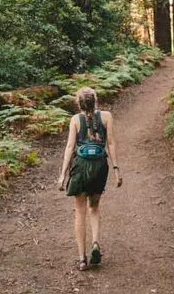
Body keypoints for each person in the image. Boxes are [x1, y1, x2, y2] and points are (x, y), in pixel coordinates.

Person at [57, 87, 122, 270]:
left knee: (80, 212)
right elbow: (111, 144)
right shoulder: (107, 117)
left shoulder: (75, 120)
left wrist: (62, 175)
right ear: (95, 101)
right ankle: (95, 242)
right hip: (100, 166)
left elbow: (70, 147)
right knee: (94, 206)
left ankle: (82, 259)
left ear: (79, 103)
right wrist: (117, 169)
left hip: (81, 167)